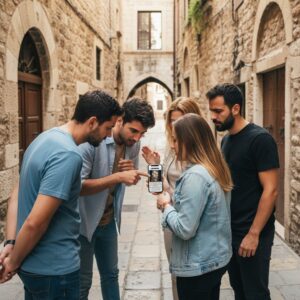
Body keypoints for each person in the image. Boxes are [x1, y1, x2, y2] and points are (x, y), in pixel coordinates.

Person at [0, 90, 123, 300]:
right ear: (92, 122)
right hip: (55, 271)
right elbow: (36, 222)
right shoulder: (68, 155)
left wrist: (11, 242)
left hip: (34, 267)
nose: (109, 135)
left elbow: (17, 193)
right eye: (108, 128)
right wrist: (12, 261)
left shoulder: (43, 138)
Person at [206, 83, 279, 300]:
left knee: (255, 293)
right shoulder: (227, 139)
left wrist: (254, 234)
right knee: (239, 289)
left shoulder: (260, 139)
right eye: (212, 111)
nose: (213, 116)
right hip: (231, 232)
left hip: (253, 233)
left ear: (236, 108)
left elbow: (271, 190)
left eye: (218, 111)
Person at [78, 98, 155, 300]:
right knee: (83, 282)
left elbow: (130, 181)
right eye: (134, 131)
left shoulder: (134, 145)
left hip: (109, 220)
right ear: (120, 120)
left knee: (111, 275)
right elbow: (76, 187)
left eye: (142, 133)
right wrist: (118, 177)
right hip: (83, 224)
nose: (137, 138)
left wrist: (130, 177)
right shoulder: (94, 141)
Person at [156, 113, 232, 300]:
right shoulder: (214, 167)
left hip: (196, 262)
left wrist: (166, 207)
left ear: (189, 140)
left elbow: (184, 228)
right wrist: (155, 170)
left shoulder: (195, 176)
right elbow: (188, 201)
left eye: (175, 140)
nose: (172, 145)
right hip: (213, 258)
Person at [142, 97, 202, 300]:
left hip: (192, 224)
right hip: (171, 220)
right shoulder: (172, 147)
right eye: (172, 121)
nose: (175, 126)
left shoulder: (202, 155)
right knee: (175, 275)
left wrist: (166, 196)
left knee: (192, 281)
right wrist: (154, 166)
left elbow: (190, 194)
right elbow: (158, 189)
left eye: (181, 120)